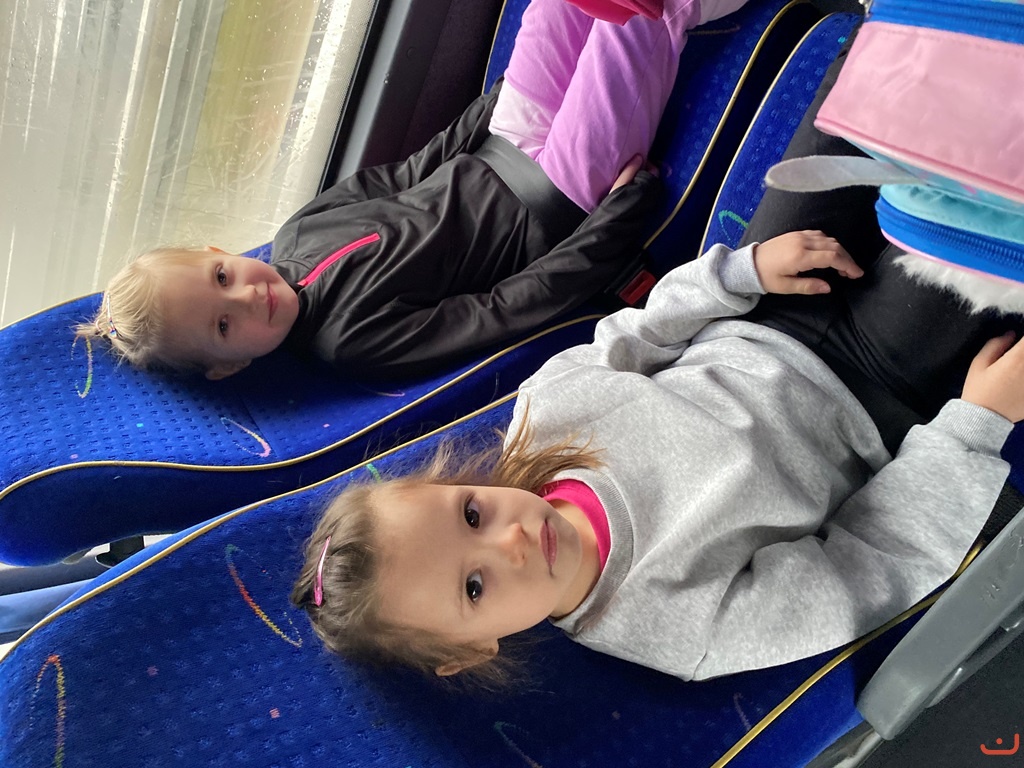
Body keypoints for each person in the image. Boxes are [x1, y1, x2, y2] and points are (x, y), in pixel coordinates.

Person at [289, 36, 1024, 684]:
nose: (510, 539)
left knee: (855, 104)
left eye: (472, 514)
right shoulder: (674, 628)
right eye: (475, 587)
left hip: (763, 309)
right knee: (984, 208)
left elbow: (639, 334)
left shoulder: (544, 420)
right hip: (877, 392)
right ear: (473, 650)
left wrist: (740, 273)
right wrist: (973, 427)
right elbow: (868, 569)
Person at [77, 0, 747, 381]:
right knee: (640, 19)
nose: (247, 295)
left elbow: (410, 173)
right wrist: (610, 224)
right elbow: (502, 310)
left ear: (219, 253)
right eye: (224, 324)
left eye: (222, 277)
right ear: (228, 367)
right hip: (561, 197)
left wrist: (499, 105)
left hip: (505, 137)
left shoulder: (298, 233)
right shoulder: (351, 341)